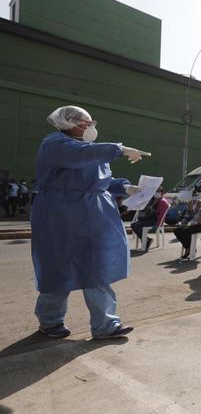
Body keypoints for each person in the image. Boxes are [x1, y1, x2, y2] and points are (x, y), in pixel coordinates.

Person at [32, 105, 150, 339]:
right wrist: (120, 149)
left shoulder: (90, 149)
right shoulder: (55, 144)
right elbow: (77, 157)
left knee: (97, 268)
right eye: (85, 123)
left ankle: (106, 325)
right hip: (60, 215)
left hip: (95, 216)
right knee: (58, 268)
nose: (91, 127)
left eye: (91, 122)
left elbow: (102, 180)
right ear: (68, 123)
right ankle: (50, 321)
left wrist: (124, 186)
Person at [131, 186, 170, 251]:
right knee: (133, 224)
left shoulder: (163, 202)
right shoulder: (153, 200)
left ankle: (146, 243)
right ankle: (147, 240)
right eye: (155, 191)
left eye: (158, 191)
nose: (156, 193)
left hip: (156, 221)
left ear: (162, 193)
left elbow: (161, 216)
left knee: (137, 225)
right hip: (150, 219)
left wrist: (158, 225)